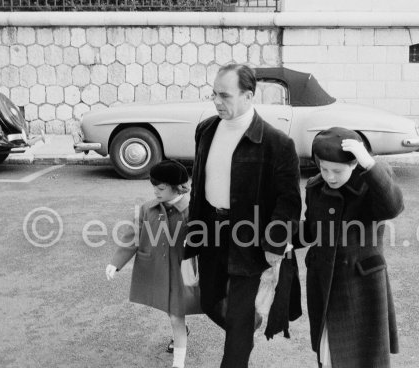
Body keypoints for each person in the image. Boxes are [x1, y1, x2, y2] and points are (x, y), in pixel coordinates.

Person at [185, 63, 302, 368]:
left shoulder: (277, 143)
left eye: (224, 95)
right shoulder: (206, 129)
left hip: (250, 243)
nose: (216, 101)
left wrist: (274, 244)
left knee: (237, 323)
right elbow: (199, 184)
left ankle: (240, 335)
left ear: (248, 95)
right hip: (210, 231)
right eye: (213, 93)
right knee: (209, 302)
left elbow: (289, 202)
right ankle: (248, 324)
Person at [293, 127, 403, 368]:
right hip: (324, 281)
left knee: (363, 358)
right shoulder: (315, 187)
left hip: (361, 285)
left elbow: (392, 206)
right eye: (324, 169)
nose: (330, 176)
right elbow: (312, 230)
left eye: (337, 170)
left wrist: (370, 165)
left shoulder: (369, 186)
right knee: (329, 353)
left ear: (354, 165)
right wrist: (279, 236)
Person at [106, 160, 191, 368]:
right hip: (158, 272)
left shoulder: (193, 210)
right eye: (153, 186)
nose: (155, 191)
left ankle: (178, 364)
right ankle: (182, 332)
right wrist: (116, 263)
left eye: (161, 188)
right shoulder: (147, 209)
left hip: (183, 274)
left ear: (177, 187)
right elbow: (132, 237)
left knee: (175, 317)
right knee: (173, 314)